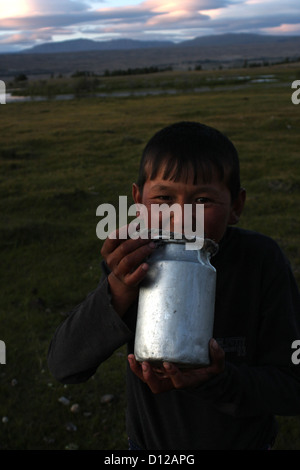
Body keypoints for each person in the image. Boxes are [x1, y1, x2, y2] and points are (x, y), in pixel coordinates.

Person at [47, 121, 300, 450]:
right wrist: (118, 290)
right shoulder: (135, 264)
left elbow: (292, 386)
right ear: (139, 202)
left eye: (202, 200)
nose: (182, 216)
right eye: (164, 197)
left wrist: (219, 382)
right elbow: (65, 366)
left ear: (236, 206)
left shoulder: (261, 261)